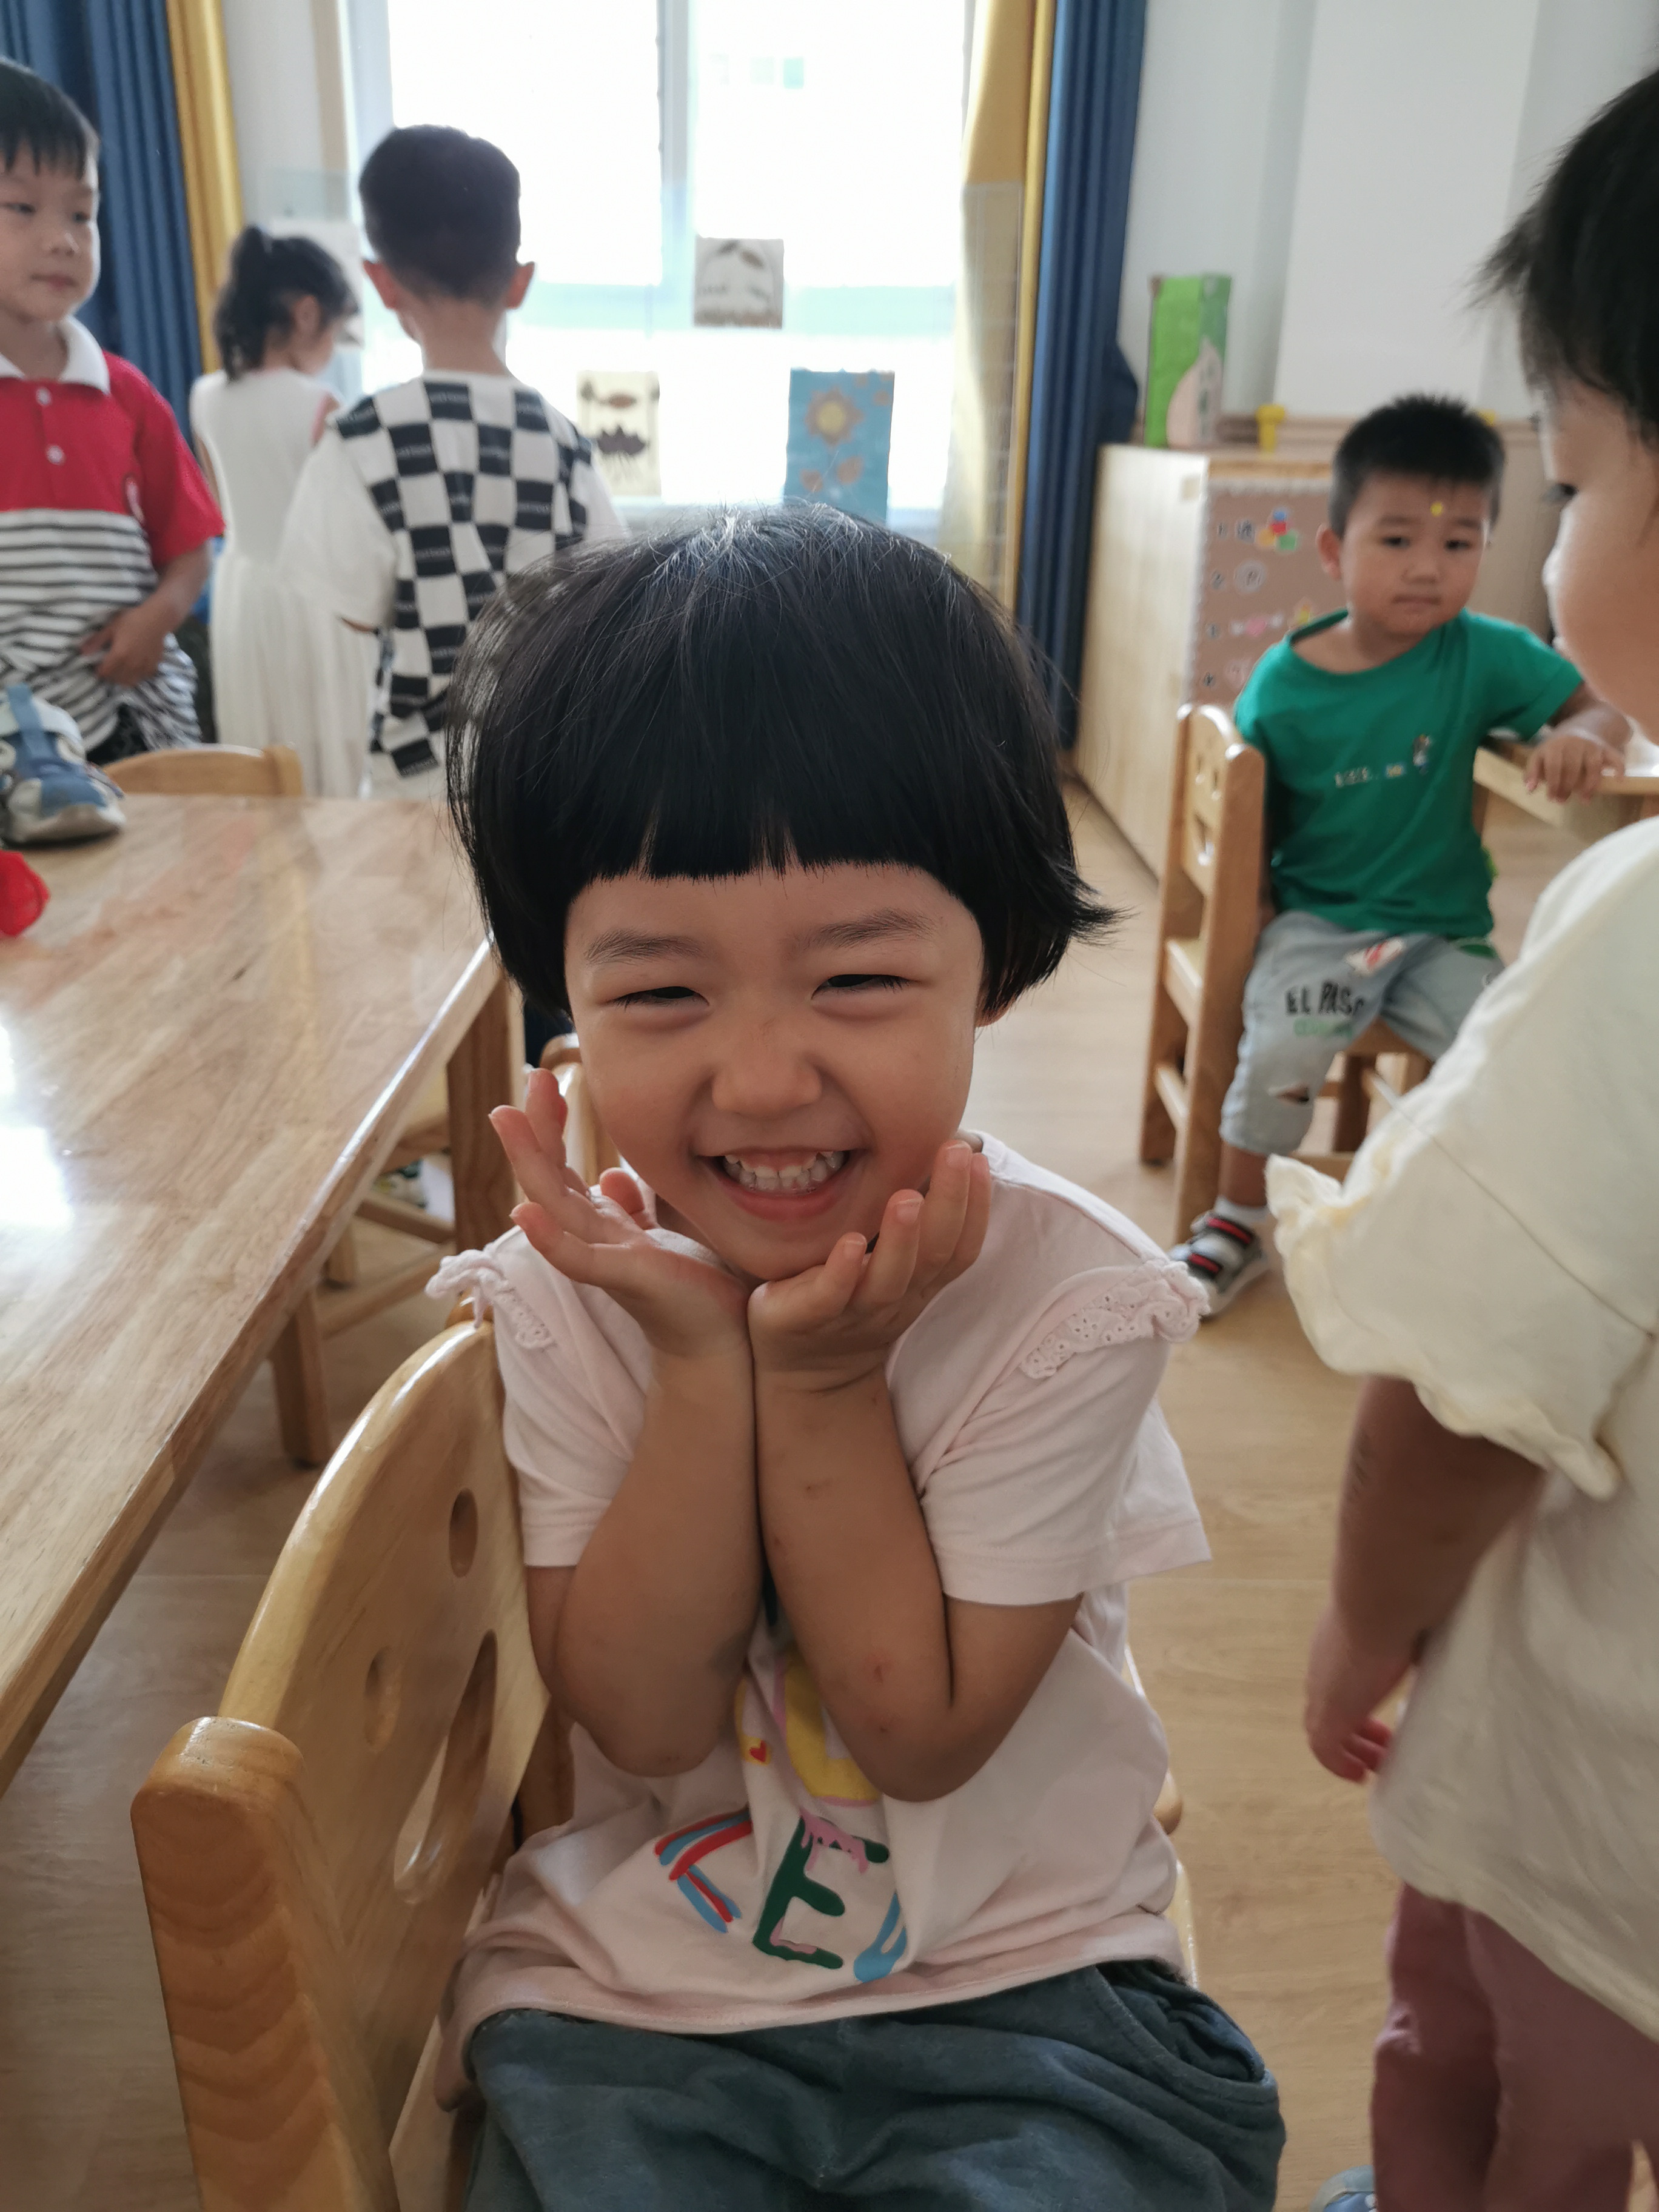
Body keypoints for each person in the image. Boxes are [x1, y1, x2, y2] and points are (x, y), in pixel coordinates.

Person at [425, 509, 1285, 2211]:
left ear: (993, 971)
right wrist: (698, 1367)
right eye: (659, 996)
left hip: (1030, 1969)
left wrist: (817, 1386)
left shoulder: (1066, 1300)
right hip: (634, 1989)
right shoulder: (565, 1298)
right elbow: (643, 1713)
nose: (760, 1081)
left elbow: (919, 1729)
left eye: (861, 976)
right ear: (563, 997)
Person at [1275, 69, 1659, 2212]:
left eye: (1571, 477)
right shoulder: (1295, 681)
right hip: (1335, 947)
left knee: (1479, 2084)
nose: (1517, 547)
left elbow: (1454, 1398)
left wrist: (1357, 1621)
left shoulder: (1638, 935)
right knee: (1288, 1023)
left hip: (1590, 1830)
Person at [1170, 394, 1628, 1315]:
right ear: (1334, 550)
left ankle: (1454, 1216)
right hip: (1319, 926)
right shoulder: (1286, 686)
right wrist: (1255, 919)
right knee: (1284, 1049)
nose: (1428, 567)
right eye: (1396, 540)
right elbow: (1254, 826)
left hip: (1441, 935)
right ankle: (1237, 1219)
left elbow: (1597, 703)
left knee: (1513, 1053)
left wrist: (1585, 735)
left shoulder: (1484, 654)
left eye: (1459, 542)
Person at [280, 124, 623, 807]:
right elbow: (603, 596)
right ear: (519, 282)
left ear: (381, 283)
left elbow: (354, 612)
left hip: (414, 782)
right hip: (542, 777)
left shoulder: (363, 439)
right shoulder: (562, 442)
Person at [0, 60, 221, 763]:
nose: (63, 239)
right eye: (22, 207)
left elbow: (191, 550)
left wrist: (157, 619)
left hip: (133, 723)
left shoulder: (128, 396)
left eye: (81, 214)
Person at [189, 226, 375, 793]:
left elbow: (217, 505)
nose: (331, 350)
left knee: (262, 751)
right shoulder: (321, 405)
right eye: (335, 332)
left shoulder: (206, 396)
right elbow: (344, 521)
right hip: (314, 594)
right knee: (331, 747)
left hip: (241, 592)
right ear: (307, 314)